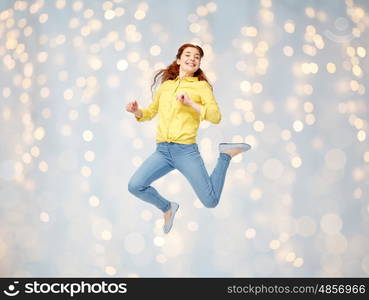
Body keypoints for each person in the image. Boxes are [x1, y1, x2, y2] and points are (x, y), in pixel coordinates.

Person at [126, 43, 251, 234]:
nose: (192, 58)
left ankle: (225, 155)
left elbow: (216, 117)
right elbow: (151, 112)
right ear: (178, 60)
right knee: (135, 186)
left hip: (186, 152)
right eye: (188, 55)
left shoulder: (201, 87)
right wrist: (137, 111)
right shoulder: (166, 87)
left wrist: (191, 102)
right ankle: (167, 207)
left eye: (197, 57)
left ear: (199, 64)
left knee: (210, 201)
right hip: (162, 151)